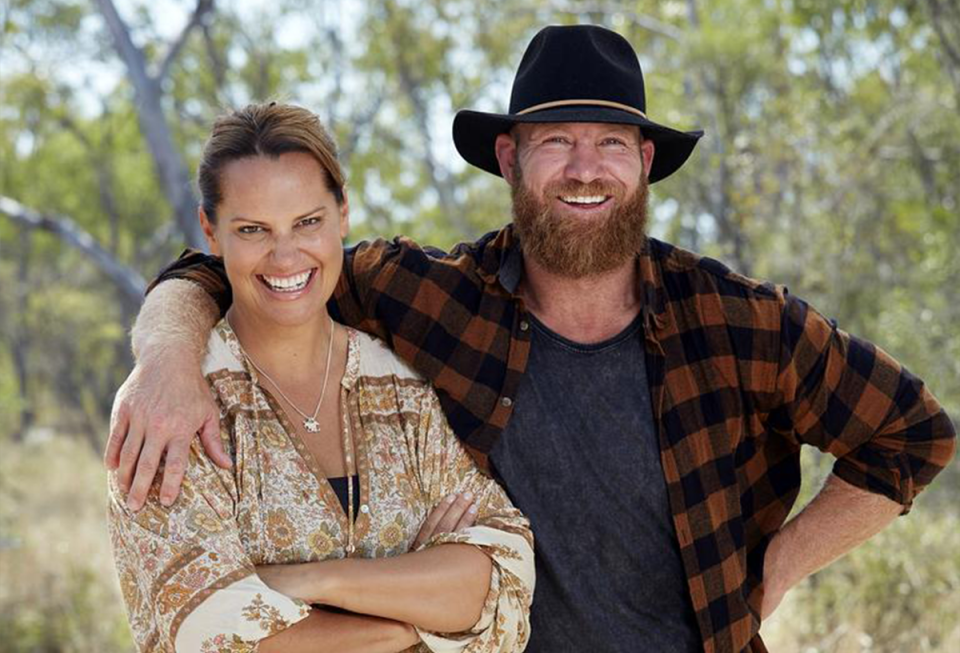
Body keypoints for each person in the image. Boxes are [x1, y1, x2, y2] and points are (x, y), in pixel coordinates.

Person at [107, 25, 956, 653]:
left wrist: (778, 566)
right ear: (510, 158)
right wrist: (168, 357)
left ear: (646, 162)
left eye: (611, 143)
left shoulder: (740, 322)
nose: (585, 168)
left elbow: (913, 433)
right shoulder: (429, 296)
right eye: (557, 142)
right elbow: (254, 263)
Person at [106, 103, 534, 652]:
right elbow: (209, 631)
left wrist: (317, 580)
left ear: (343, 214)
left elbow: (504, 575)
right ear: (211, 231)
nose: (286, 256)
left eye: (308, 222)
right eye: (253, 229)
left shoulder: (399, 388)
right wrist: (410, 619)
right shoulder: (171, 406)